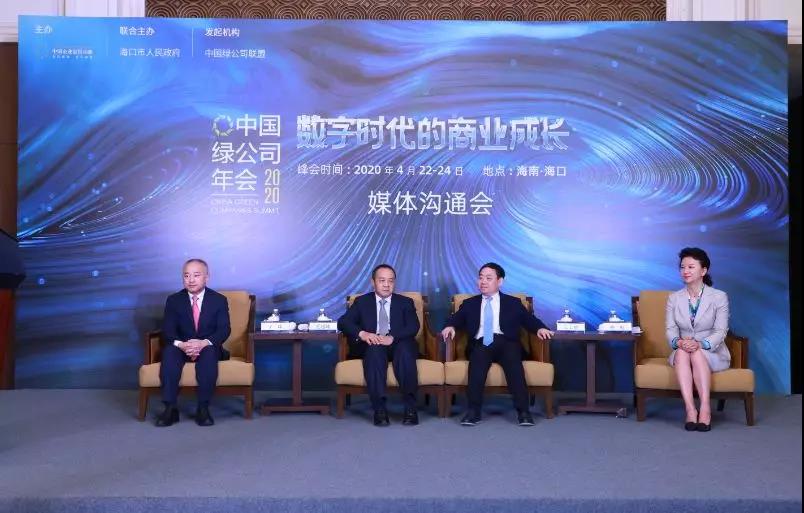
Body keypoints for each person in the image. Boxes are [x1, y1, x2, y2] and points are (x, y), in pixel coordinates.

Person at [441, 263, 553, 427]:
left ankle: (523, 412)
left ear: (500, 281)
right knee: (477, 359)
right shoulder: (469, 303)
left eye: (488, 278)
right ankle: (473, 412)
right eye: (481, 278)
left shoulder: (513, 303)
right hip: (481, 344)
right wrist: (450, 326)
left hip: (507, 343)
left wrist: (540, 328)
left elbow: (529, 320)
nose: (483, 282)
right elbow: (455, 319)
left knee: (514, 362)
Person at [337, 264, 420, 426]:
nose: (386, 285)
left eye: (390, 281)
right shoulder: (362, 302)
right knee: (374, 351)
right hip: (373, 344)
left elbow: (413, 326)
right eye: (382, 280)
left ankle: (410, 408)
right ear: (373, 282)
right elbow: (343, 322)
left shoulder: (405, 302)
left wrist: (393, 337)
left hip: (398, 343)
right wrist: (363, 334)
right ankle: (379, 409)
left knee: (405, 350)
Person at [156, 259, 231, 427]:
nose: (191, 280)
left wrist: (203, 343)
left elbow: (224, 330)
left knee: (209, 353)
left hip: (207, 346)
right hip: (182, 346)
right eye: (186, 276)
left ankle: (203, 408)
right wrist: (182, 345)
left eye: (196, 275)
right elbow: (168, 330)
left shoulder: (219, 300)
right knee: (169, 352)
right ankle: (170, 408)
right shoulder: (174, 300)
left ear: (206, 277)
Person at [666, 247, 730, 432]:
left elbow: (721, 330)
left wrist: (700, 344)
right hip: (683, 349)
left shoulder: (719, 297)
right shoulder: (674, 298)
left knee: (697, 353)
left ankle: (705, 409)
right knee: (682, 353)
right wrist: (679, 342)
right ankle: (690, 409)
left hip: (712, 352)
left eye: (691, 267)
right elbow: (670, 329)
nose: (685, 271)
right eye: (682, 267)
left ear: (703, 270)